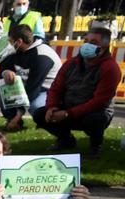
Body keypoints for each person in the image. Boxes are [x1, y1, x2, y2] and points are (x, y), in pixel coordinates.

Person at [32, 27, 120, 159]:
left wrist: (68, 113)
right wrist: (52, 107)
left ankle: (96, 146)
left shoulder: (110, 68)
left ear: (103, 47)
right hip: (68, 108)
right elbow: (56, 88)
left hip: (94, 112)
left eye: (93, 42)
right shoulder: (71, 63)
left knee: (95, 119)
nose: (87, 44)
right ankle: (66, 139)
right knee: (40, 114)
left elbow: (99, 102)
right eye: (86, 41)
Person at [0, 26, 60, 132]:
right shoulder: (16, 50)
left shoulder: (42, 56)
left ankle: (48, 124)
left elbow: (32, 89)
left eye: (11, 41)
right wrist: (5, 72)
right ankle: (12, 119)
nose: (9, 44)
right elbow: (1, 70)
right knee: (0, 85)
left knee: (35, 105)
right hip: (26, 84)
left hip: (46, 88)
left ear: (19, 41)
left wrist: (19, 114)